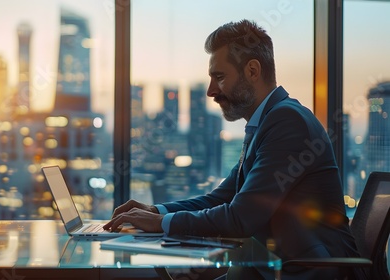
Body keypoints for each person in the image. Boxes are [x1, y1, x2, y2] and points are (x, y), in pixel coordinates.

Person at [103, 19, 362, 280]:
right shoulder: (267, 122)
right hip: (269, 270)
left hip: (307, 273)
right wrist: (157, 211)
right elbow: (223, 198)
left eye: (220, 77)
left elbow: (241, 217)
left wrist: (161, 224)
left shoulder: (287, 122)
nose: (211, 91)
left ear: (252, 71)